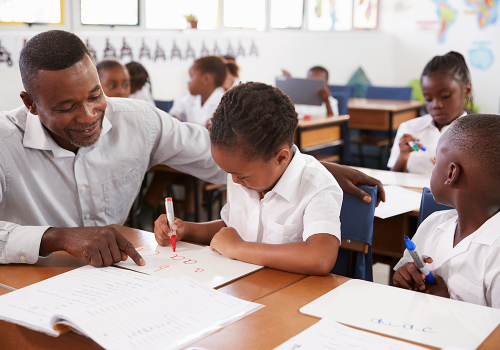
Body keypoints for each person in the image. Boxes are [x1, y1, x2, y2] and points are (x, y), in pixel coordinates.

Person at [0, 30, 385, 267]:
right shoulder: (4, 142)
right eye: (66, 107)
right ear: (31, 103)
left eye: (95, 94)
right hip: (27, 286)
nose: (88, 115)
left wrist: (315, 168)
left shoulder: (139, 120)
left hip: (114, 281)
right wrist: (60, 237)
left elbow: (228, 156)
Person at [155, 82, 342, 275]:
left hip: (288, 295)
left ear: (281, 158)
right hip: (243, 288)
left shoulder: (316, 187)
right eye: (230, 173)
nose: (234, 181)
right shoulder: (243, 174)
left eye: (241, 176)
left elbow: (320, 257)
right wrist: (186, 230)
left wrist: (238, 248)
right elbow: (233, 227)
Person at [393, 114, 500, 308]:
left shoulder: (495, 253)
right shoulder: (434, 224)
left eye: (436, 160)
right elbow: (402, 280)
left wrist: (447, 307)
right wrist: (404, 277)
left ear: (451, 174)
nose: (433, 167)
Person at [387, 51, 472, 175]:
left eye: (445, 96)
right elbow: (394, 179)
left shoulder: (476, 135)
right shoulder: (409, 128)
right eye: (428, 99)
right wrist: (403, 156)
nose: (436, 105)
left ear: (466, 90)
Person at [169, 56, 237, 127]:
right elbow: (172, 117)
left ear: (206, 79)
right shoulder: (188, 99)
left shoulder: (224, 103)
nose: (188, 81)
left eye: (191, 76)